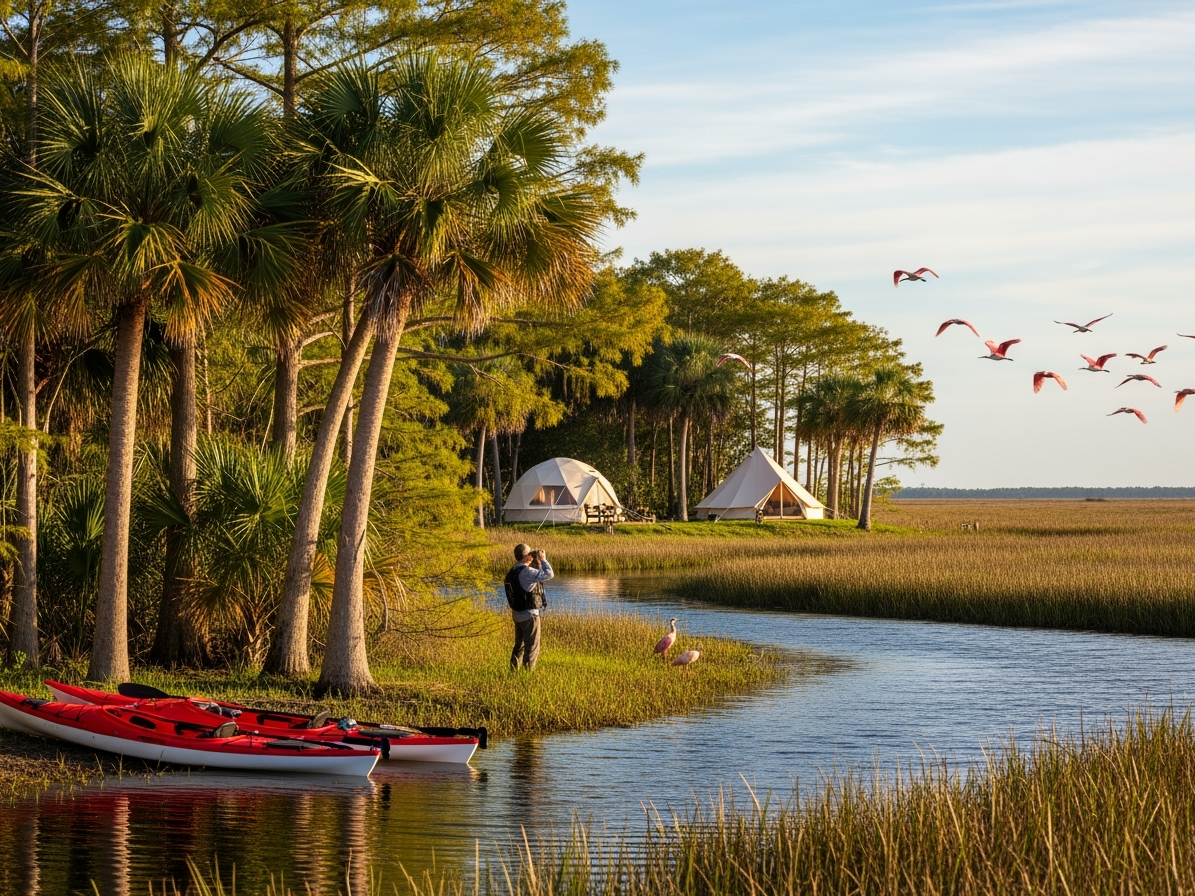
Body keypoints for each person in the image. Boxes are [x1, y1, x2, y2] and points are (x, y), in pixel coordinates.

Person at [505, 543, 552, 671]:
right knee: (532, 647)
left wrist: (536, 561)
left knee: (519, 646)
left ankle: (513, 671)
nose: (532, 555)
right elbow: (549, 574)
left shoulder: (513, 570)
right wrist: (543, 559)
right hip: (529, 615)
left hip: (517, 614)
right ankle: (527, 674)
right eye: (530, 553)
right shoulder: (526, 572)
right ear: (526, 557)